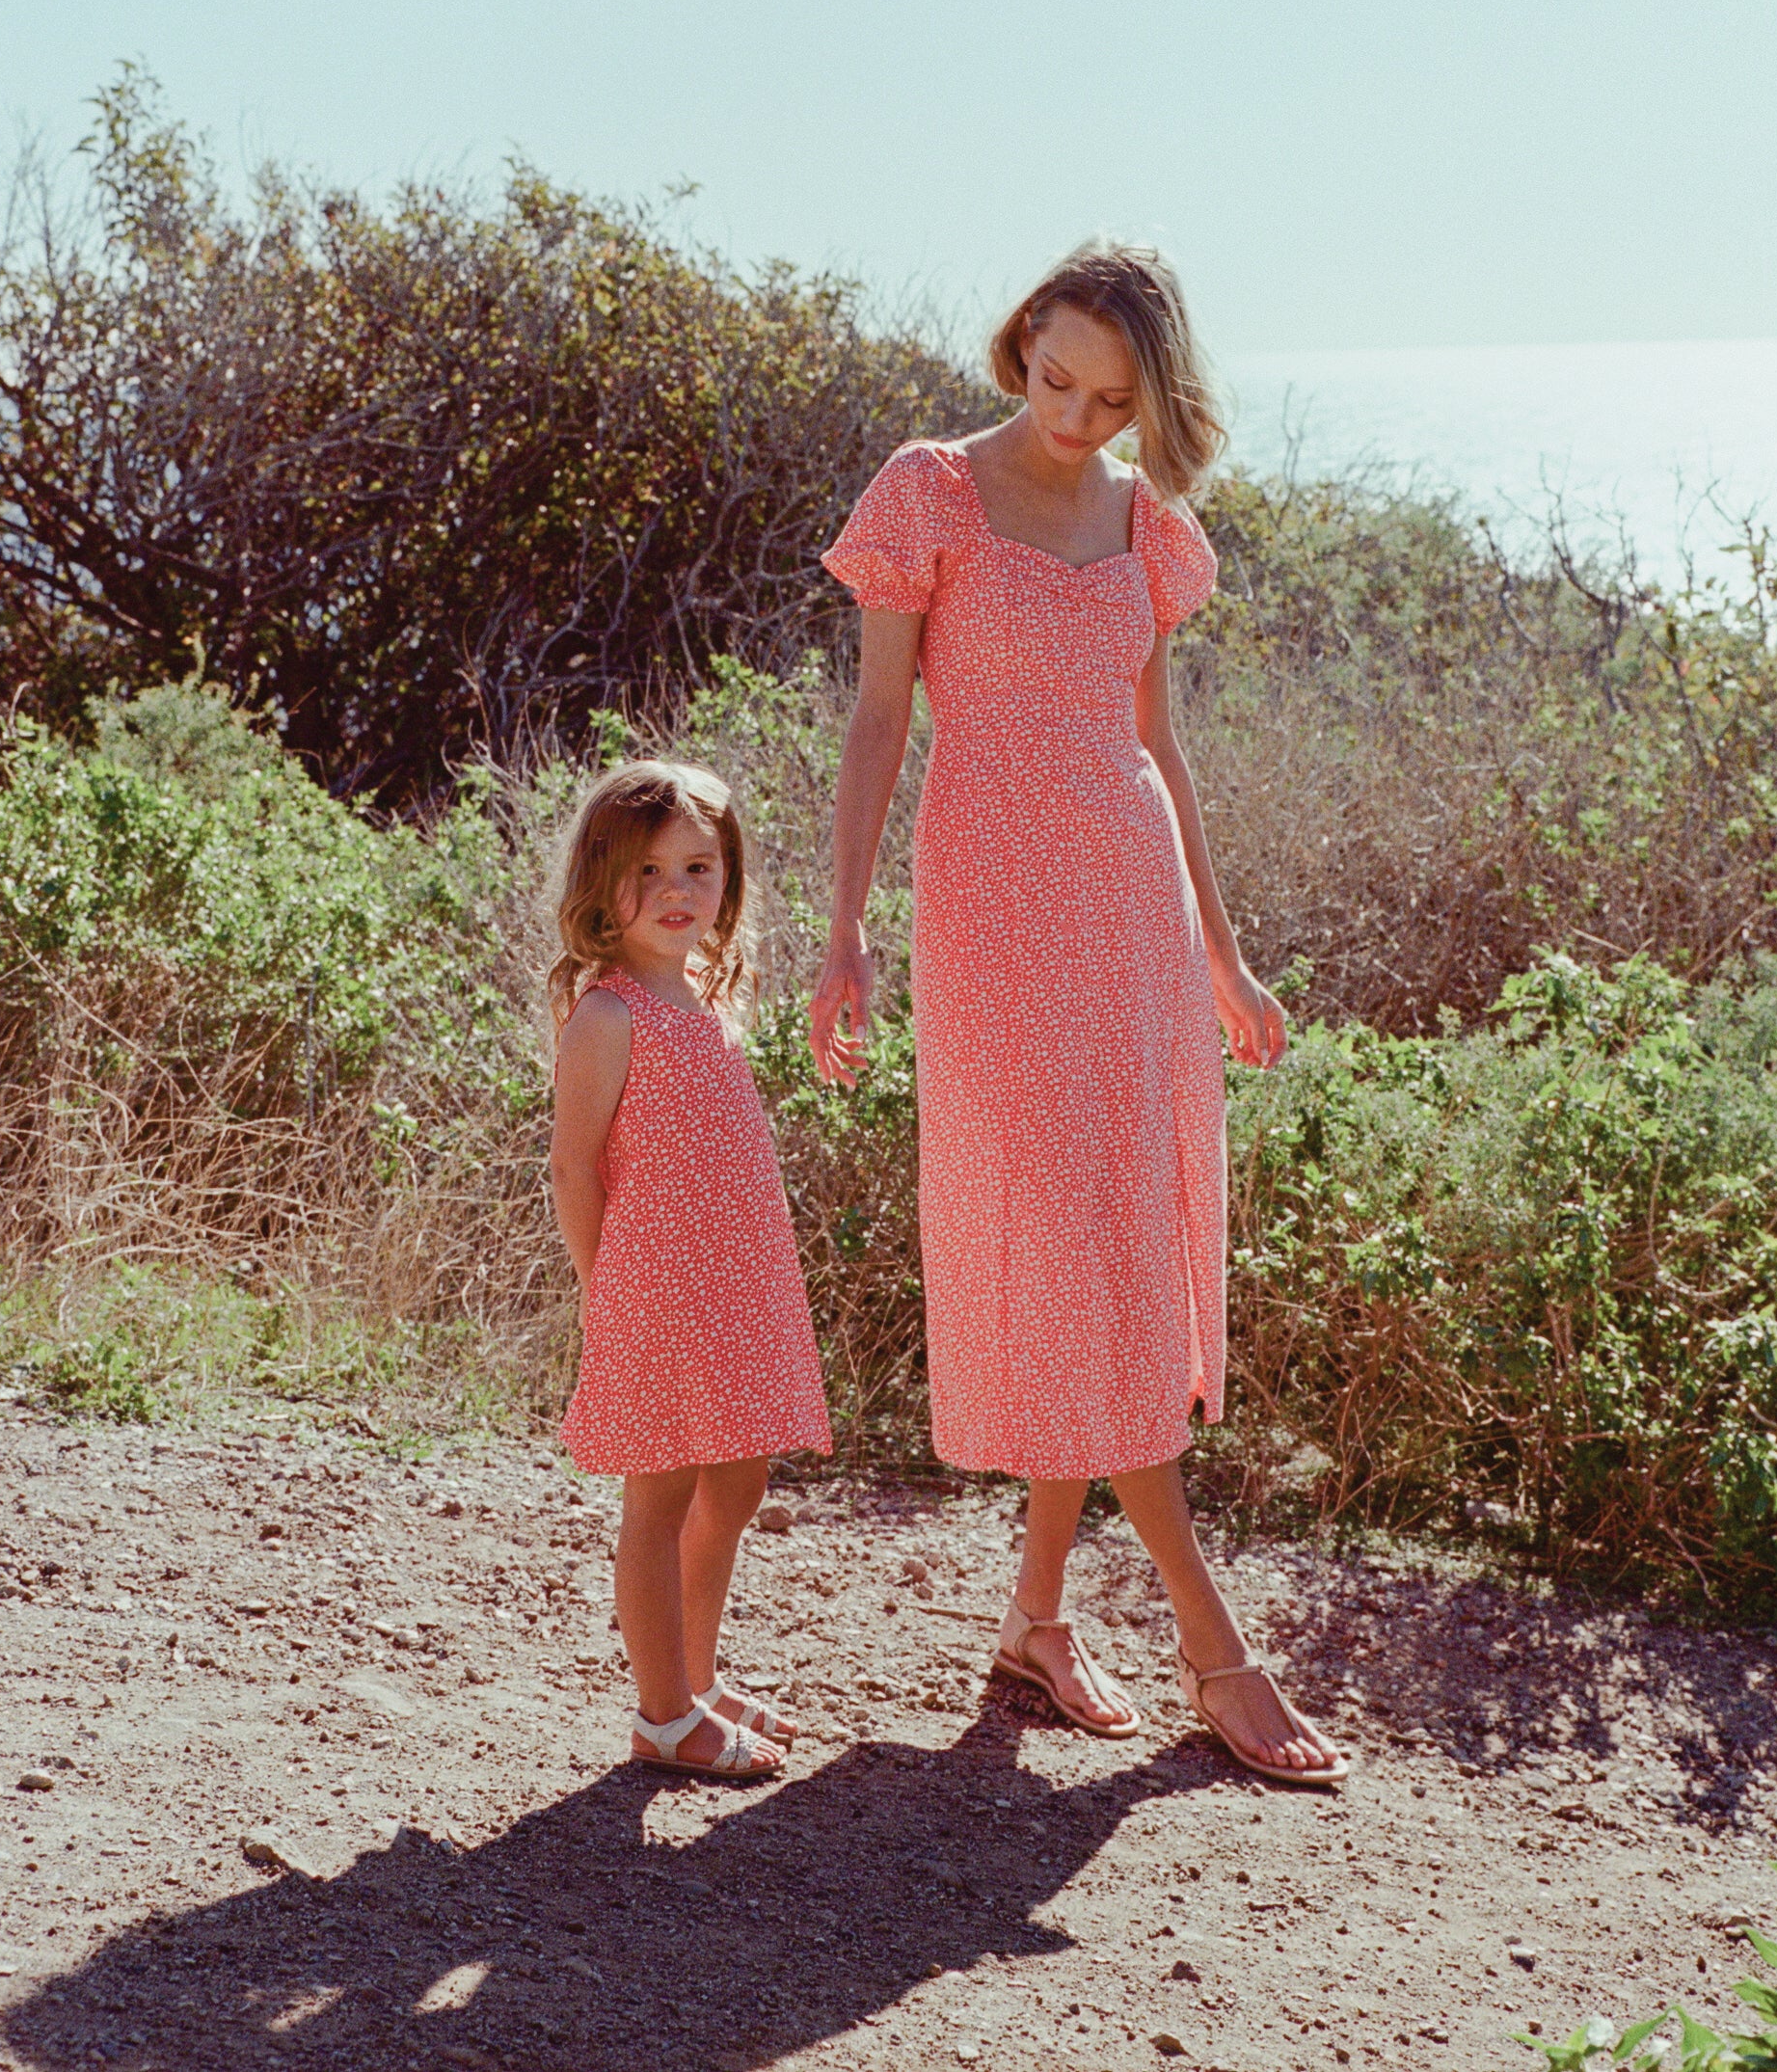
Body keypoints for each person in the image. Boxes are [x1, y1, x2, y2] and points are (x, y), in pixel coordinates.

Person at [810, 246, 1346, 1787]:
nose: (1073, 415)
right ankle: (1211, 1643)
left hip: (1133, 923)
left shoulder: (1147, 525)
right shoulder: (925, 492)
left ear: (1148, 399)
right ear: (1017, 342)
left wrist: (1226, 957)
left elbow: (1158, 752)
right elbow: (873, 724)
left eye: (1111, 398)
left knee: (1110, 1244)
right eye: (1054, 378)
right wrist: (842, 933)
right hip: (989, 918)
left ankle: (1036, 1621)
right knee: (1078, 1247)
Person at [550, 758, 830, 1782]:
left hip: (735, 1285)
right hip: (655, 1290)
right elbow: (574, 1166)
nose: (676, 891)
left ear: (728, 881)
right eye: (648, 870)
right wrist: (601, 1285)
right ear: (602, 883)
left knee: (741, 1477)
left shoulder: (706, 997)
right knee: (658, 1496)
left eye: (698, 868)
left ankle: (695, 1676)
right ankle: (662, 1712)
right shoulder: (608, 1014)